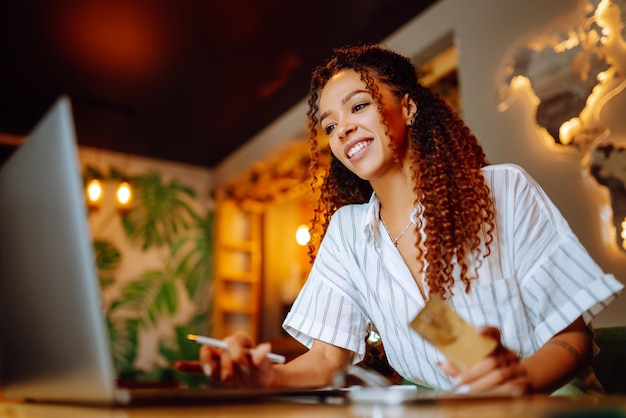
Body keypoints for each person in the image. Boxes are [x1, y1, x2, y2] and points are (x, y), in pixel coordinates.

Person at [195, 44, 623, 394]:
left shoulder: (502, 192)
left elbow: (573, 340)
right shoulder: (349, 235)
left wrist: (520, 379)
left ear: (409, 108)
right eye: (329, 125)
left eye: (358, 106)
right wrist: (265, 376)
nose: (342, 130)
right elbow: (327, 359)